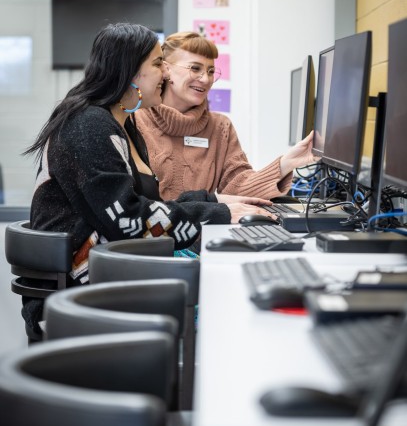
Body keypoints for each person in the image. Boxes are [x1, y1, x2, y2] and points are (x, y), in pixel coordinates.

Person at [24, 23, 272, 337]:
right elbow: (129, 222)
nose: (166, 75)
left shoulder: (122, 126)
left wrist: (215, 201)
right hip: (80, 290)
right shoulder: (88, 126)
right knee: (228, 302)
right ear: (129, 72)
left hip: (111, 268)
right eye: (157, 64)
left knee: (228, 285)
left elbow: (144, 208)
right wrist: (217, 215)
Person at [135, 31, 317, 201]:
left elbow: (237, 188)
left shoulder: (220, 127)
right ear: (167, 70)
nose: (205, 79)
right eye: (195, 68)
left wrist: (287, 163)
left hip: (203, 233)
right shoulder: (134, 120)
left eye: (211, 71)